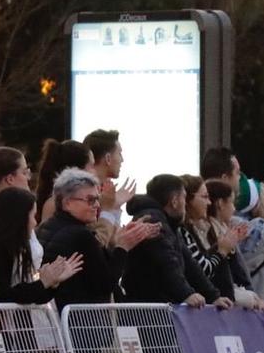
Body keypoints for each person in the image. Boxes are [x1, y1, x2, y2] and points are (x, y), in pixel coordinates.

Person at [37, 168, 160, 306]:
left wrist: (120, 239)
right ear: (67, 203)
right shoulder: (81, 235)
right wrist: (123, 247)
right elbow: (105, 284)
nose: (97, 205)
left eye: (97, 199)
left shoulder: (46, 226)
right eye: (90, 200)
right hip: (82, 320)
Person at [0, 187, 83, 304]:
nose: (35, 223)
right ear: (20, 218)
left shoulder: (7, 246)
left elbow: (25, 297)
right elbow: (1, 295)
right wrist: (43, 282)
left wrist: (52, 282)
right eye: (33, 216)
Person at [122, 176, 229, 307]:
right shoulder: (154, 221)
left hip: (158, 307)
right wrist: (186, 294)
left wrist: (213, 296)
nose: (185, 204)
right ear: (174, 201)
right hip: (148, 312)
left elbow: (190, 263)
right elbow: (166, 262)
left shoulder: (169, 224)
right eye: (184, 197)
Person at [83, 128, 135, 230]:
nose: (122, 160)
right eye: (119, 153)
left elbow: (109, 239)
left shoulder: (103, 189)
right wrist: (109, 208)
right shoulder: (83, 193)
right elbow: (94, 240)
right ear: (108, 158)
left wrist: (115, 207)